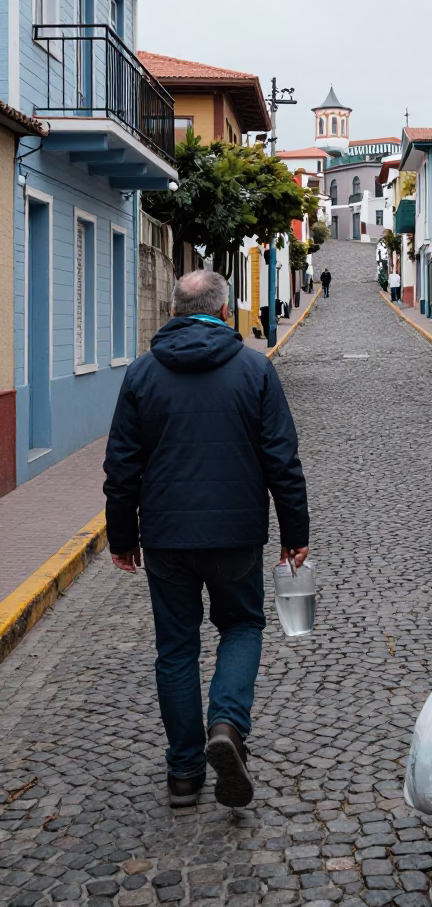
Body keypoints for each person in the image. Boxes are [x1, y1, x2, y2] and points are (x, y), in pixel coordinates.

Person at [103, 270, 310, 810]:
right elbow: (281, 459)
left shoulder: (143, 373)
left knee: (176, 648)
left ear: (174, 309)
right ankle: (227, 724)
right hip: (236, 536)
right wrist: (295, 533)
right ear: (224, 310)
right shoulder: (253, 369)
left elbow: (122, 466)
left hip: (167, 537)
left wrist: (122, 536)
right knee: (241, 626)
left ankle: (184, 773)